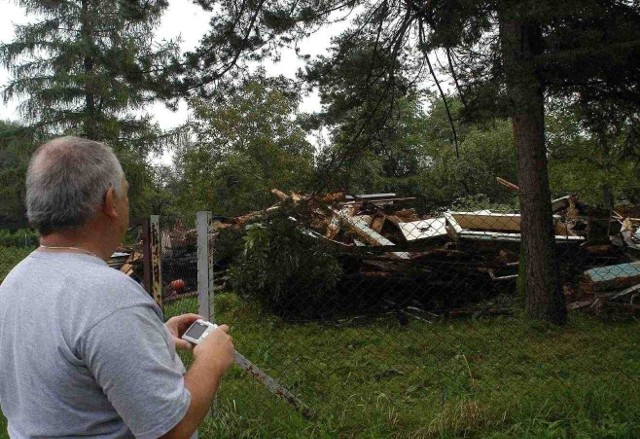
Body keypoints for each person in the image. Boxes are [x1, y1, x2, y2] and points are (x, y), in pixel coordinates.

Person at [0, 136, 235, 438]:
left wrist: (153, 336)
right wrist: (211, 361)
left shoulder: (14, 283)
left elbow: (67, 368)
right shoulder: (109, 299)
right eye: (125, 192)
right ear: (110, 202)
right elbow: (170, 430)